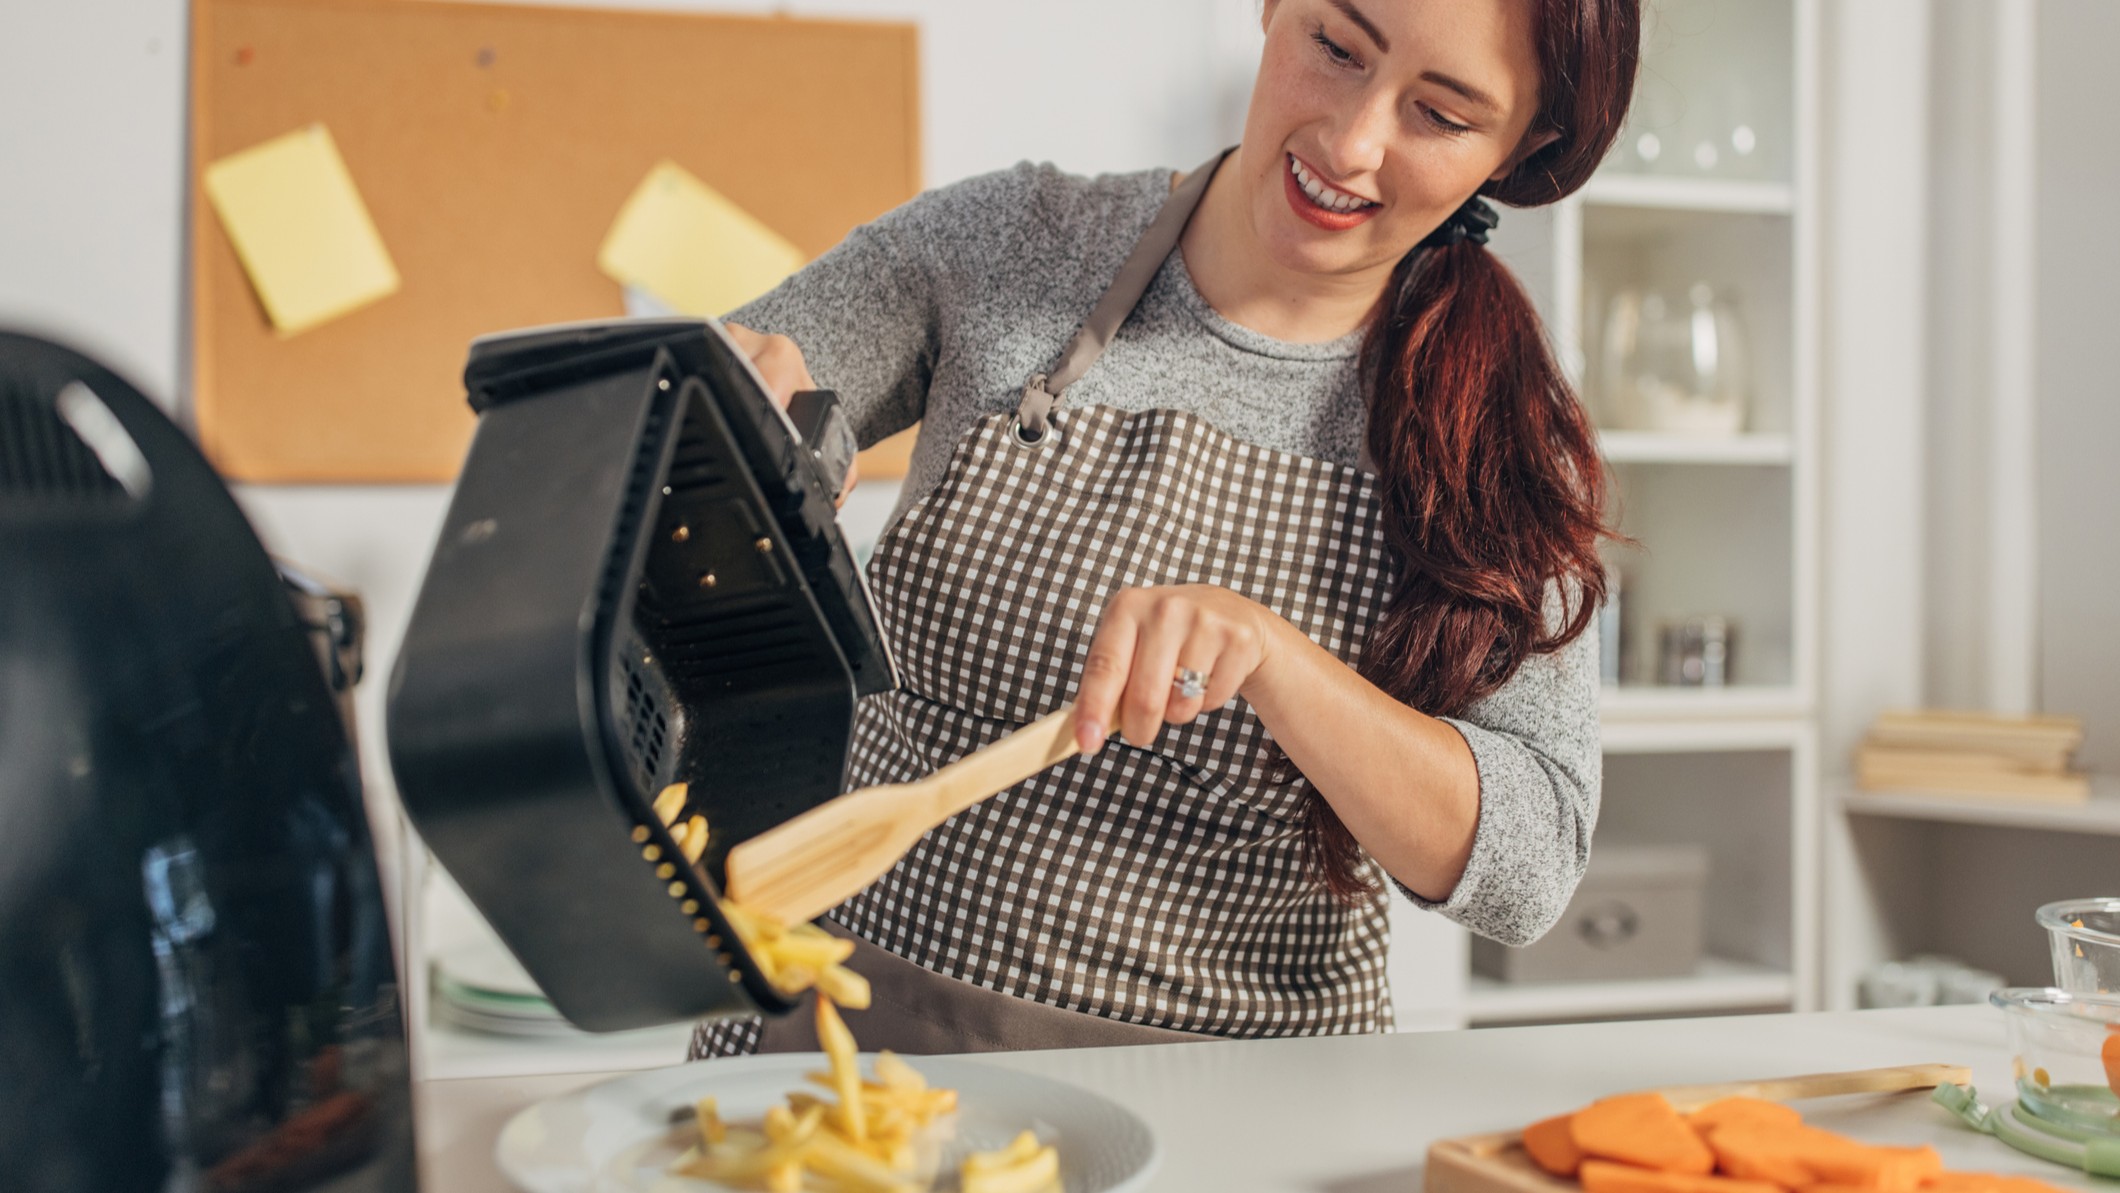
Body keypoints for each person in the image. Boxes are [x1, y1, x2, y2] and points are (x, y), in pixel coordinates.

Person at [693, 0, 1639, 1056]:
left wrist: (1277, 661)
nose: (1350, 142)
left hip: (1223, 1106)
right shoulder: (1009, 247)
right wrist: (730, 430)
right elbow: (738, 402)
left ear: (1523, 147)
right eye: (1334, 48)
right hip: (846, 1040)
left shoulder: (1498, 433)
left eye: (1440, 115)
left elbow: (1528, 868)